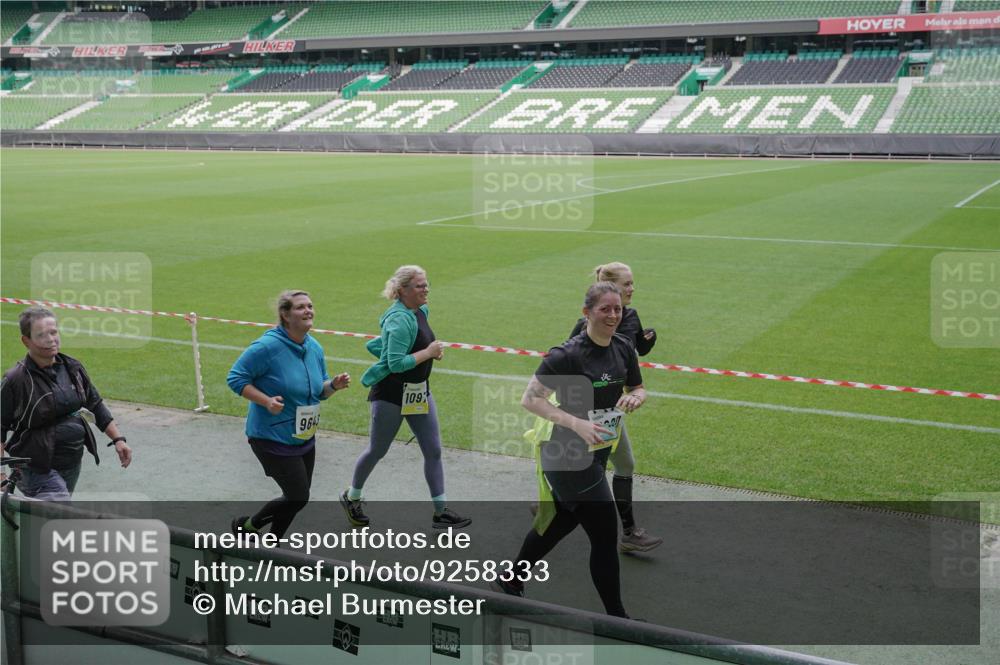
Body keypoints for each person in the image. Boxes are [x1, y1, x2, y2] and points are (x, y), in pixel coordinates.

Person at [494, 282, 646, 618]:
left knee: (563, 519)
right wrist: (575, 424)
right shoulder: (567, 354)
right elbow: (530, 399)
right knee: (604, 534)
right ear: (587, 312)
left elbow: (637, 386)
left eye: (617, 309)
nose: (613, 315)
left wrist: (636, 397)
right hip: (566, 455)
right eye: (605, 309)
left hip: (597, 452)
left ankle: (511, 578)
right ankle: (617, 619)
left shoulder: (623, 347)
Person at [340, 265, 470, 530]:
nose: (426, 289)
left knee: (433, 450)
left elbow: (413, 346)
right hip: (391, 395)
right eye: (420, 285)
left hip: (418, 392)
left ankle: (441, 512)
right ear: (402, 291)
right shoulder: (399, 320)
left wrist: (430, 353)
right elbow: (396, 363)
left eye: (426, 283)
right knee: (377, 450)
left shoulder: (420, 310)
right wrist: (429, 352)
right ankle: (352, 497)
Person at [227, 290, 349, 538]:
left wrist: (333, 386)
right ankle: (247, 526)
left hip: (303, 437)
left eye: (310, 306)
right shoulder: (267, 347)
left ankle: (271, 542)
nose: (308, 311)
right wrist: (266, 401)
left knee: (295, 498)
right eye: (300, 307)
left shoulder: (314, 347)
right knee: (298, 496)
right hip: (271, 437)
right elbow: (236, 378)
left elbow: (319, 391)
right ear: (285, 314)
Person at [567, 262, 662, 553]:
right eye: (627, 284)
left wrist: (647, 341)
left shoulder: (630, 316)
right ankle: (559, 506)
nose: (632, 288)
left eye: (632, 283)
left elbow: (635, 351)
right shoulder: (586, 324)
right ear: (611, 287)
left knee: (619, 464)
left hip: (611, 409)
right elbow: (567, 360)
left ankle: (626, 531)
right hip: (589, 411)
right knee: (593, 470)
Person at [1, 306, 132, 500]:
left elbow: (95, 404)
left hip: (71, 461)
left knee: (49, 512)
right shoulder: (16, 380)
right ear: (26, 341)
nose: (50, 339)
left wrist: (118, 439)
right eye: (41, 335)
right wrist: (1, 473)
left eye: (53, 332)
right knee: (59, 507)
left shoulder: (73, 368)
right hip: (34, 467)